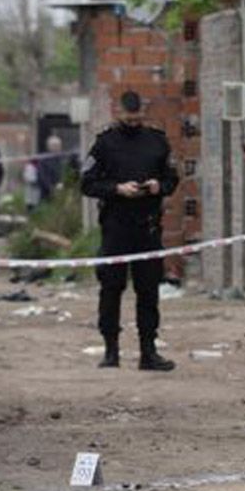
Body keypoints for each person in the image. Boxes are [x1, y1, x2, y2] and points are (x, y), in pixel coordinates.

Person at [80, 90, 179, 372]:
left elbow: (172, 178)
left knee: (148, 291)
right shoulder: (105, 143)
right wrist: (117, 189)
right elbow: (87, 183)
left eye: (138, 118)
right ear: (118, 112)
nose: (134, 122)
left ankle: (148, 352)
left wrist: (158, 186)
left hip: (147, 227)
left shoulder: (157, 141)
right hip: (116, 228)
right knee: (111, 289)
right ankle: (111, 350)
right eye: (129, 118)